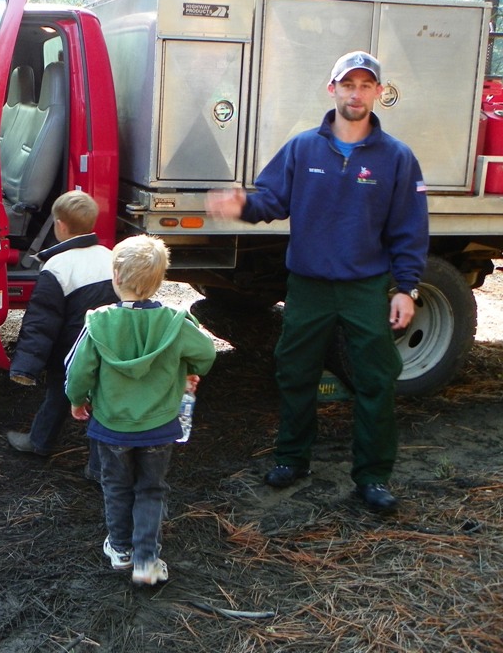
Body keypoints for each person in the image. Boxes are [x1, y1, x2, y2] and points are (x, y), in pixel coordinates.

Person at [206, 50, 428, 513]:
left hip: (366, 287)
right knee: (295, 372)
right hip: (307, 286)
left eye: (366, 85)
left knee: (376, 379)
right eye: (348, 84)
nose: (356, 92)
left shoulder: (397, 158)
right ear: (333, 89)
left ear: (378, 94)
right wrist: (241, 205)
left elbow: (409, 229)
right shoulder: (303, 148)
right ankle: (292, 458)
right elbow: (271, 200)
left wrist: (406, 288)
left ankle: (372, 476)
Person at [65, 235, 216, 585]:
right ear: (160, 280)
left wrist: (77, 400)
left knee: (116, 486)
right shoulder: (175, 322)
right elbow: (206, 355)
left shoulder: (99, 323)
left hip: (112, 426)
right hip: (159, 425)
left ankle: (120, 550)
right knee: (151, 488)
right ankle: (147, 560)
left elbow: (78, 371)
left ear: (115, 277)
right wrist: (189, 369)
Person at [6, 190, 116, 461]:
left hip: (72, 352)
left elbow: (42, 322)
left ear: (61, 225)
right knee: (105, 403)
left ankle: (39, 442)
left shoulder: (56, 267)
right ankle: (99, 466)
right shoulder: (110, 256)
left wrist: (25, 367)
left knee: (58, 395)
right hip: (110, 345)